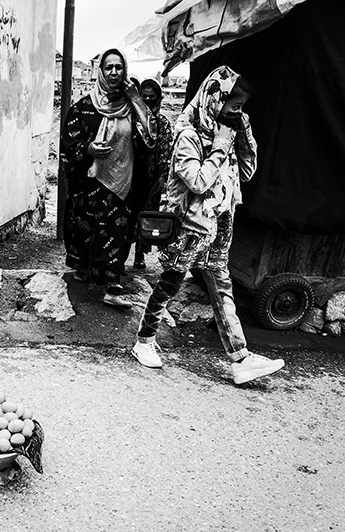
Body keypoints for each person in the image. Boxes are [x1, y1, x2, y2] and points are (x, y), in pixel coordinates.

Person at [130, 66, 285, 385]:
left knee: (221, 286)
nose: (238, 112)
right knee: (170, 283)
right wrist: (218, 148)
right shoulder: (190, 135)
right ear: (215, 99)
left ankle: (240, 357)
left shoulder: (227, 133)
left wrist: (243, 134)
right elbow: (198, 182)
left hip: (218, 227)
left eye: (242, 107)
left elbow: (245, 172)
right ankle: (144, 341)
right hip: (189, 227)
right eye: (234, 106)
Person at [61, 49, 154, 308]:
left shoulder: (133, 109)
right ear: (100, 72)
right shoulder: (85, 107)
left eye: (119, 67)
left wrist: (136, 99)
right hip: (89, 182)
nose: (114, 72)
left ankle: (112, 280)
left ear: (125, 71)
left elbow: (149, 139)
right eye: (109, 67)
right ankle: (83, 268)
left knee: (116, 230)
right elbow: (69, 142)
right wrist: (88, 149)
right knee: (85, 227)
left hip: (122, 181)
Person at [132, 78, 174, 270]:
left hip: (152, 177)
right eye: (144, 97)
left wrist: (163, 176)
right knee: (128, 215)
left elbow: (166, 152)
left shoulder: (163, 123)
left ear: (158, 99)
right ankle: (121, 256)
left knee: (146, 215)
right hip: (131, 174)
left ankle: (140, 254)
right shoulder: (133, 119)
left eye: (152, 97)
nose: (148, 100)